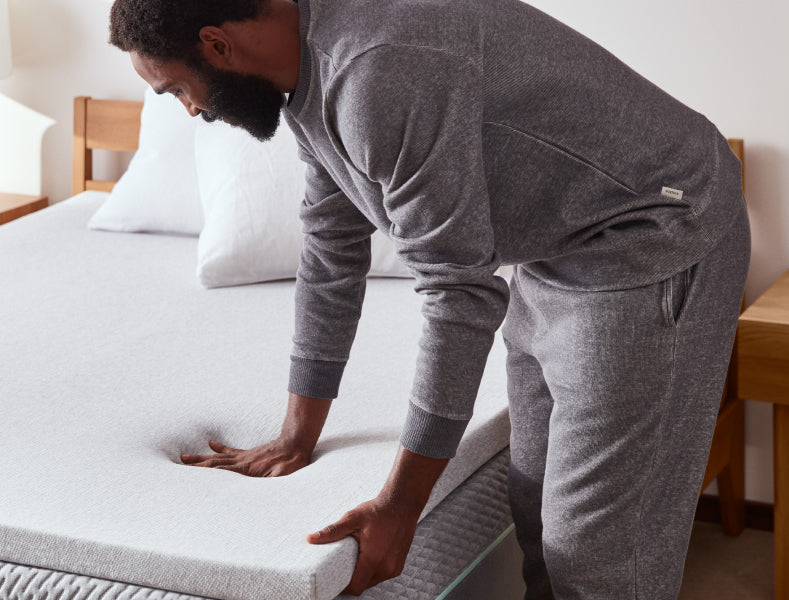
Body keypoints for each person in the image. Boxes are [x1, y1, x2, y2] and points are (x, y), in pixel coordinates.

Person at [108, 0, 750, 597]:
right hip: (559, 243)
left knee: (594, 555)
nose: (189, 109)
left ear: (217, 45)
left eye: (175, 89)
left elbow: (459, 293)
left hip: (653, 230)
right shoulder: (306, 67)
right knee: (535, 512)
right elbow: (331, 247)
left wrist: (399, 508)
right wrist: (296, 436)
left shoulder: (377, 70)